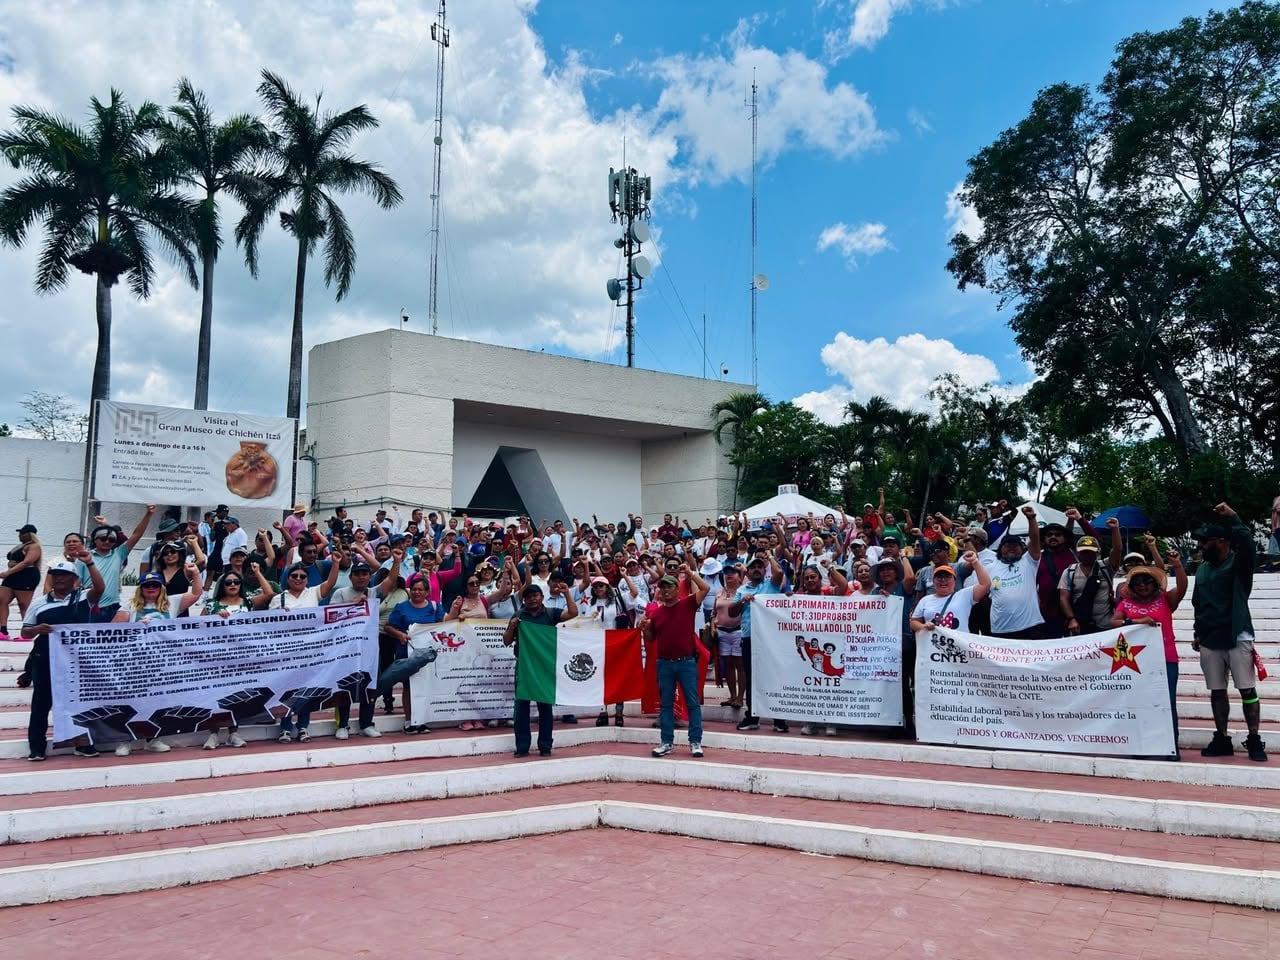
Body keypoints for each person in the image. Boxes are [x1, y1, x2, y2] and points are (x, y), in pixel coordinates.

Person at [1191, 503, 1266, 762]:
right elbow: (1198, 604)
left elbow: (1246, 542)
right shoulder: (1202, 570)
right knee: (1217, 691)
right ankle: (1222, 737)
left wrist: (1234, 516)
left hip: (1237, 635)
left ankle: (1254, 738)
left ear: (1221, 541)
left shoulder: (1239, 565)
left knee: (1247, 689)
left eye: (1205, 542)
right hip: (1210, 639)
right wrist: (1197, 632)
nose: (1201, 546)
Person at [22, 556, 105, 760]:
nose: (59, 579)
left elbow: (100, 588)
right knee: (41, 703)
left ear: (74, 579)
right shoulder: (40, 603)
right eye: (55, 575)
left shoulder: (84, 597)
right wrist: (36, 630)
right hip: (45, 658)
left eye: (64, 576)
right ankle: (37, 747)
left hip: (77, 660)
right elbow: (24, 632)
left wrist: (90, 563)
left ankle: (83, 743)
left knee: (80, 702)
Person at [1113, 553, 1187, 759]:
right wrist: (1137, 622)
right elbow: (1114, 622)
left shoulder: (1166, 600)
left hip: (1166, 659)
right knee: (1140, 702)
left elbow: (1182, 588)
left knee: (1168, 703)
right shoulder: (1125, 604)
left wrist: (1178, 566)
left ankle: (1171, 746)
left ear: (1155, 584)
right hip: (1137, 663)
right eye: (1138, 582)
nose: (1143, 586)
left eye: (1147, 582)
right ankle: (1141, 745)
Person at [639, 563, 710, 758]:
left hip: (686, 662)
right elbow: (652, 637)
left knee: (692, 703)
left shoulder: (687, 604)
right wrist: (645, 627)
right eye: (662, 587)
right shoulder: (656, 613)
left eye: (669, 586)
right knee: (666, 705)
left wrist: (690, 574)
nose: (665, 590)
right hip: (664, 663)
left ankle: (695, 741)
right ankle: (666, 742)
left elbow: (706, 589)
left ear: (676, 588)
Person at [502, 582, 578, 757]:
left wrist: (567, 594)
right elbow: (506, 641)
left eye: (535, 595)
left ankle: (545, 746)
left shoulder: (551, 613)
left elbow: (573, 613)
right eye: (528, 596)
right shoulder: (519, 615)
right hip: (524, 666)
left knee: (545, 707)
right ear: (524, 599)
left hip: (544, 666)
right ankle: (522, 747)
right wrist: (513, 627)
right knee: (521, 708)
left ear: (542, 598)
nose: (532, 599)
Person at [268, 559, 340, 743]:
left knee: (306, 691)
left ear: (307, 580)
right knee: (286, 691)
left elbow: (331, 583)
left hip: (311, 651)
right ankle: (285, 728)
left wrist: (336, 563)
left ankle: (303, 727)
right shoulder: (279, 599)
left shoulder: (313, 593)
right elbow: (269, 628)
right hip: (288, 653)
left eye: (302, 576)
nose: (298, 579)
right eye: (294, 576)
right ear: (287, 578)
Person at [385, 572, 448, 734]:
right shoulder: (401, 607)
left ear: (427, 592)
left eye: (420, 590)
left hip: (428, 655)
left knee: (425, 685)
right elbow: (388, 626)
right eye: (414, 589)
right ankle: (409, 720)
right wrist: (399, 634)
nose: (417, 592)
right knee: (408, 686)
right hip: (406, 652)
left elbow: (443, 625)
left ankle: (422, 719)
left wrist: (456, 612)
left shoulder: (435, 607)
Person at [982, 505, 1043, 639]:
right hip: (1000, 628)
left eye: (1016, 546)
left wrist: (1031, 519)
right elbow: (983, 595)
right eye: (1008, 545)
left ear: (1022, 549)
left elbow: (1034, 539)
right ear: (1000, 549)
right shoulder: (989, 568)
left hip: (1031, 626)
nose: (1012, 548)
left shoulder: (1029, 561)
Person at [87, 504, 156, 621]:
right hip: (90, 608)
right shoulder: (86, 557)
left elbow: (136, 535)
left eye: (112, 540)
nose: (107, 541)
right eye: (103, 539)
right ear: (95, 540)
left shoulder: (118, 554)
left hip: (113, 609)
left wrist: (148, 514)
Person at [1058, 520, 1124, 636]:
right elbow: (1064, 598)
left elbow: (1117, 549)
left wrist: (1115, 529)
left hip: (1105, 625)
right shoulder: (1069, 571)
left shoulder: (1106, 567)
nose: (1087, 554)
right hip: (1079, 624)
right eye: (1084, 552)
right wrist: (1071, 619)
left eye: (1090, 552)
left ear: (1096, 553)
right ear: (1078, 553)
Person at [911, 552, 992, 633]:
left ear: (954, 580)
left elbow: (985, 584)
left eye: (947, 577)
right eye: (939, 577)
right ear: (933, 581)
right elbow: (914, 622)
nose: (943, 580)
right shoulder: (925, 600)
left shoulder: (964, 595)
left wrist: (975, 562)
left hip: (958, 644)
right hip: (933, 644)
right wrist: (923, 626)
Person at [1, 524, 42, 634]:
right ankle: (3, 629)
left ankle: (27, 631)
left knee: (23, 604)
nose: (20, 535)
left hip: (26, 576)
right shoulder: (21, 546)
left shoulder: (34, 546)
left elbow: (27, 562)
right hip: (13, 576)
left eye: (22, 533)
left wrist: (8, 572)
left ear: (30, 535)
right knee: (2, 600)